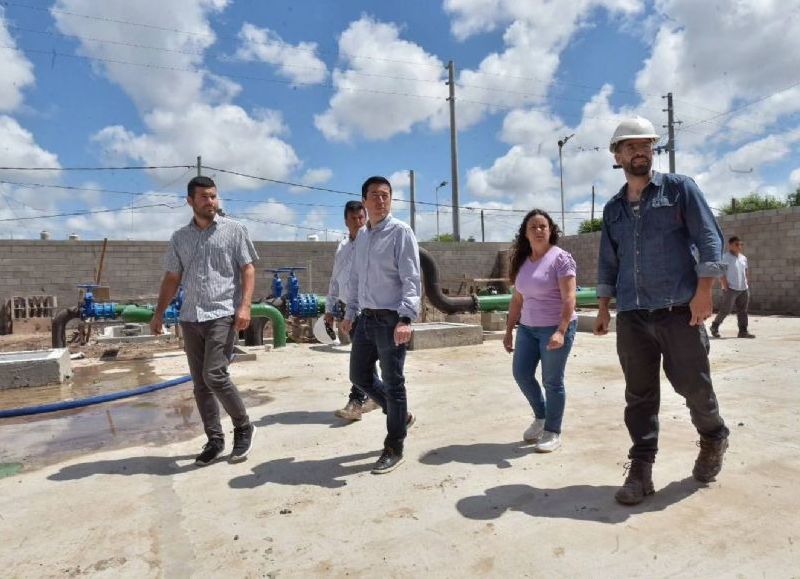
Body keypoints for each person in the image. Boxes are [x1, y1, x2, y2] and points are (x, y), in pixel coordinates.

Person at [595, 117, 730, 505]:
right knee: (639, 396)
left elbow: (709, 239)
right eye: (631, 146)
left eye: (646, 145)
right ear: (617, 155)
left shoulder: (679, 189)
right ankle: (641, 468)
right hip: (633, 315)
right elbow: (608, 261)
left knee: (693, 387)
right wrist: (604, 308)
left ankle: (713, 437)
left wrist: (704, 291)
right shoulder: (613, 209)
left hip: (679, 312)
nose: (640, 152)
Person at [151, 176, 258, 466]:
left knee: (215, 375)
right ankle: (214, 440)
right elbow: (172, 277)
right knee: (200, 384)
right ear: (190, 201)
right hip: (190, 317)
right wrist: (159, 312)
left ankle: (243, 426)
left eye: (213, 196)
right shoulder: (179, 238)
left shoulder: (234, 231)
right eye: (204, 197)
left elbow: (248, 269)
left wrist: (245, 306)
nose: (210, 202)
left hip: (221, 313)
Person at [340, 176, 421, 474]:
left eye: (386, 195)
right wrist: (350, 312)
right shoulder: (361, 236)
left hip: (391, 320)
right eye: (374, 195)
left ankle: (394, 445)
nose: (380, 200)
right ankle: (400, 416)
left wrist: (406, 318)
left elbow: (412, 279)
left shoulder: (401, 232)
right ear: (364, 200)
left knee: (394, 381)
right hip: (366, 318)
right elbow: (356, 279)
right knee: (359, 375)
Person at [503, 209, 577, 453]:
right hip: (527, 328)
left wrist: (561, 330)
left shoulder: (561, 258)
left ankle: (553, 431)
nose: (538, 230)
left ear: (551, 230)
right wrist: (509, 330)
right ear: (525, 233)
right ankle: (541, 417)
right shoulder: (522, 262)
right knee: (521, 374)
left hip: (554, 328)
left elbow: (569, 298)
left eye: (543, 226)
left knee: (552, 381)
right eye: (533, 227)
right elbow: (517, 299)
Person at [325, 200, 379, 420]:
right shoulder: (343, 246)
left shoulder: (373, 242)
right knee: (363, 357)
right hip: (349, 308)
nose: (358, 222)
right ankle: (375, 396)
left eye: (361, 217)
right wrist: (330, 308)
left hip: (369, 309)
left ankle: (356, 402)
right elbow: (336, 279)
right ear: (346, 221)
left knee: (360, 358)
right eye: (354, 219)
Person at [710, 236, 755, 339]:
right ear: (730, 245)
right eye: (737, 244)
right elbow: (721, 272)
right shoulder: (725, 257)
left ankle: (743, 331)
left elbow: (745, 271)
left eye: (741, 244)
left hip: (743, 289)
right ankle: (714, 326)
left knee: (743, 311)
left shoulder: (743, 258)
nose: (739, 246)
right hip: (731, 288)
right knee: (726, 310)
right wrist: (725, 285)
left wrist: (746, 283)